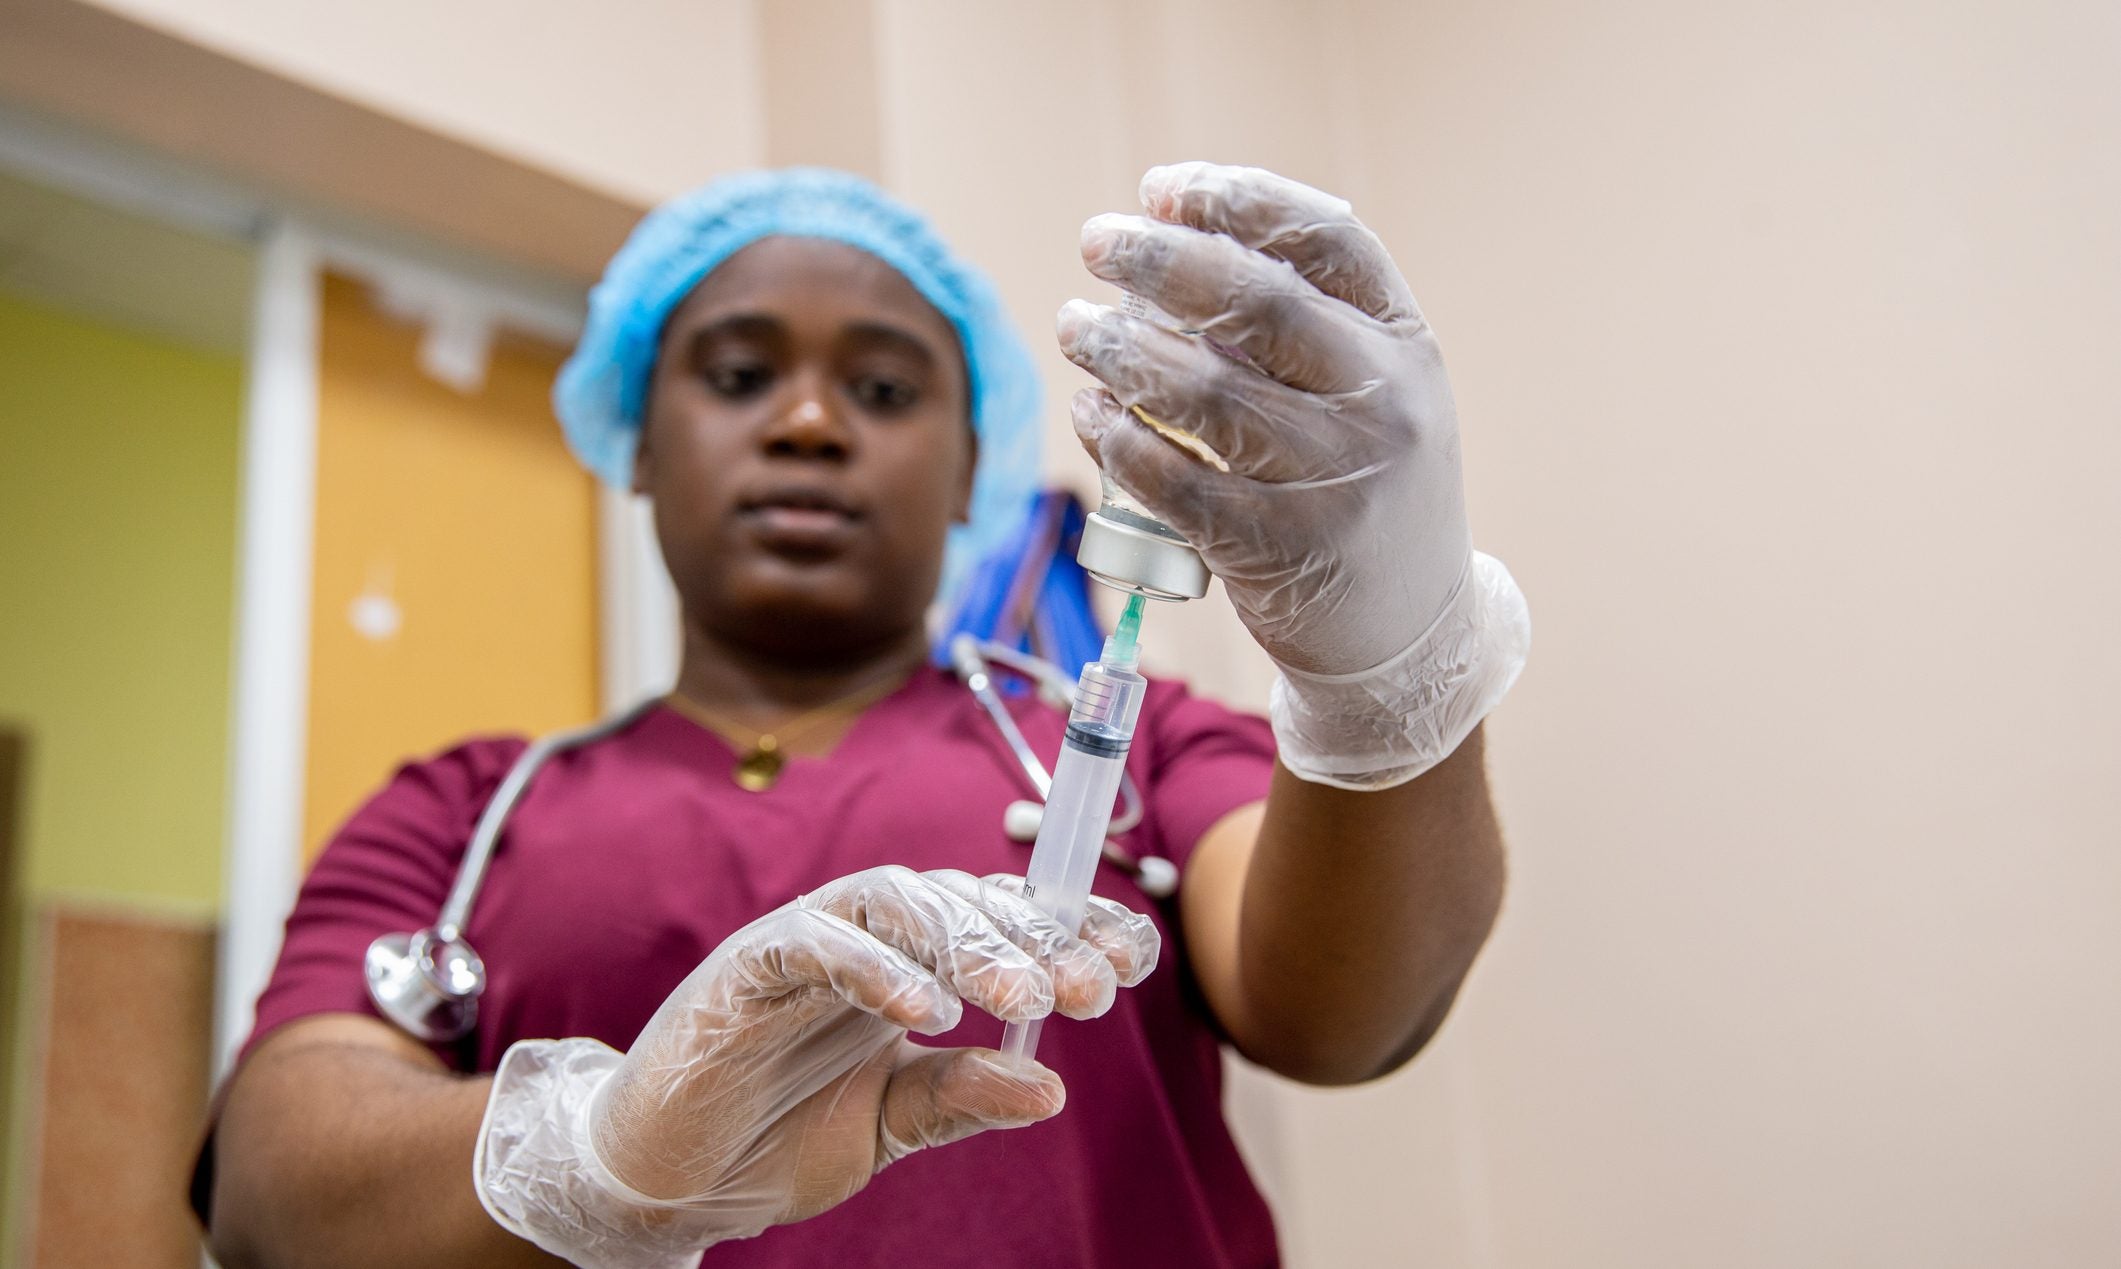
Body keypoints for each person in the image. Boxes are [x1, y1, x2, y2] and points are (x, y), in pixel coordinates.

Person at [195, 162, 1530, 1269]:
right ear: (641, 444)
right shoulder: (468, 809)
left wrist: (1386, 684)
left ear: (968, 472)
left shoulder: (1141, 742)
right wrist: (608, 1145)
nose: (812, 421)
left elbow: (1349, 1015)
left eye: (885, 391)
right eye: (735, 375)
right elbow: (271, 1192)